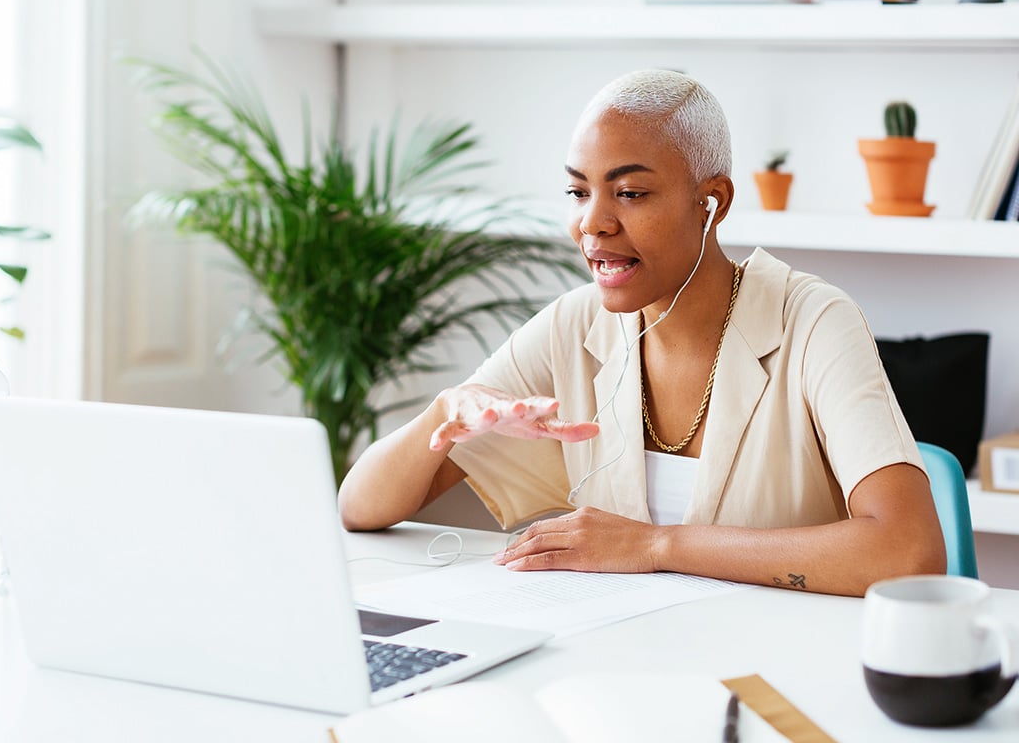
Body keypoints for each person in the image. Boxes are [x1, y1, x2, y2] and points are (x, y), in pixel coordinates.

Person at [337, 69, 945, 597]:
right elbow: (359, 508)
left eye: (629, 193)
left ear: (712, 201)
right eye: (579, 192)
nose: (592, 223)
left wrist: (656, 547)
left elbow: (908, 553)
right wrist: (447, 410)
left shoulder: (813, 320)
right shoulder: (572, 326)